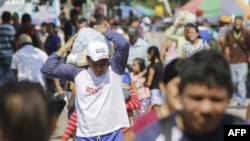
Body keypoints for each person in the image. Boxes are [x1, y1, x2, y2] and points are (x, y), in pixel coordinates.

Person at [41, 24, 130, 140]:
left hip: (113, 133)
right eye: (95, 64)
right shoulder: (77, 72)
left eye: (102, 63)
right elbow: (47, 69)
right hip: (86, 136)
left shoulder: (115, 70)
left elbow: (124, 44)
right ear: (88, 59)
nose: (99, 68)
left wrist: (105, 31)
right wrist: (64, 48)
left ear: (108, 58)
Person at [135, 50, 249, 141]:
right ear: (180, 93)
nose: (206, 109)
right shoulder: (155, 137)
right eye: (197, 98)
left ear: (230, 94)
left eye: (216, 99)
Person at [124, 58, 184, 141]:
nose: (184, 92)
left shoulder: (197, 125)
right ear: (163, 85)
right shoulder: (144, 123)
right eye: (178, 86)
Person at [223, 15, 250, 108]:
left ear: (242, 22)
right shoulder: (229, 33)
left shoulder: (246, 33)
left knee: (241, 81)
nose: (238, 23)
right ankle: (235, 96)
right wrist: (226, 54)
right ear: (234, 22)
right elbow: (225, 45)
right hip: (232, 61)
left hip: (242, 61)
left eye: (240, 21)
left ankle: (241, 102)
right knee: (234, 81)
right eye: (236, 21)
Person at [145, 46, 164, 111]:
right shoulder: (161, 64)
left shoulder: (152, 67)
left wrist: (144, 84)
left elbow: (149, 83)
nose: (147, 56)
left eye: (148, 54)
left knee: (152, 110)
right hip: (161, 91)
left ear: (152, 54)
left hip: (154, 91)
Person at [0, 11, 16, 85]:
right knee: (10, 74)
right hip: (9, 54)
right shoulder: (10, 28)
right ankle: (12, 92)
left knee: (2, 74)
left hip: (0, 55)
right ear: (10, 19)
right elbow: (13, 42)